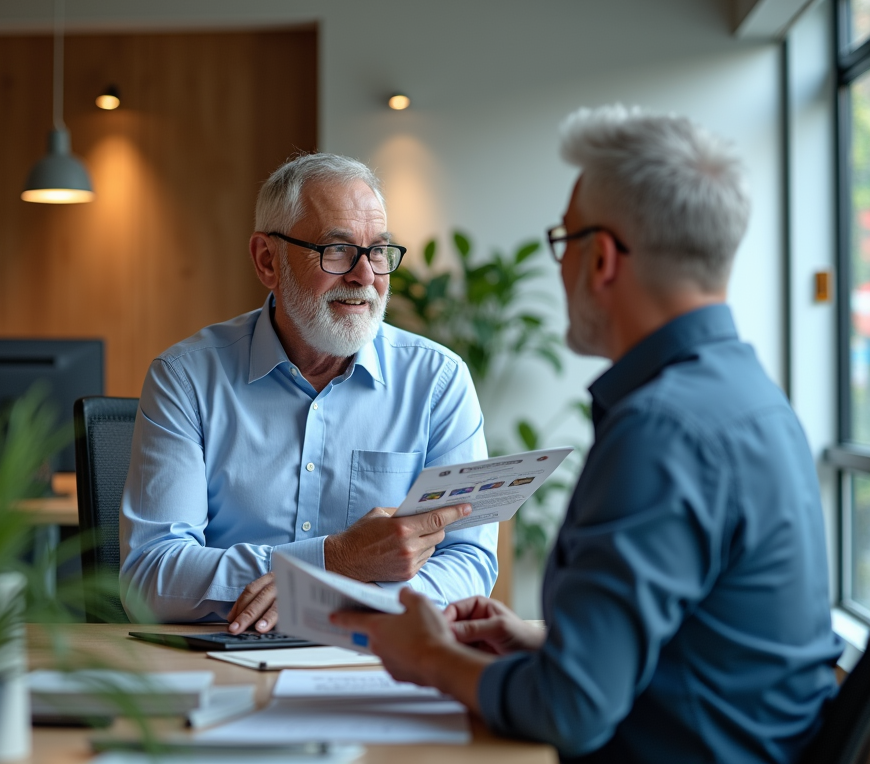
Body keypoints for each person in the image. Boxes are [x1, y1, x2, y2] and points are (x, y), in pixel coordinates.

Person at [332, 107, 843, 764]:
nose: (560, 263)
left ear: (599, 258)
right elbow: (714, 644)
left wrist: (427, 657)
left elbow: (569, 709)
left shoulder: (662, 431)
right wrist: (546, 640)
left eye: (563, 239)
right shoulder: (748, 398)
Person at [120, 153, 498, 630]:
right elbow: (149, 578)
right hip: (226, 659)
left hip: (378, 659)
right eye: (337, 250)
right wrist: (334, 559)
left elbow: (469, 560)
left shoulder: (438, 380)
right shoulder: (187, 378)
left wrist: (335, 587)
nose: (365, 276)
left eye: (378, 251)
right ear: (266, 261)